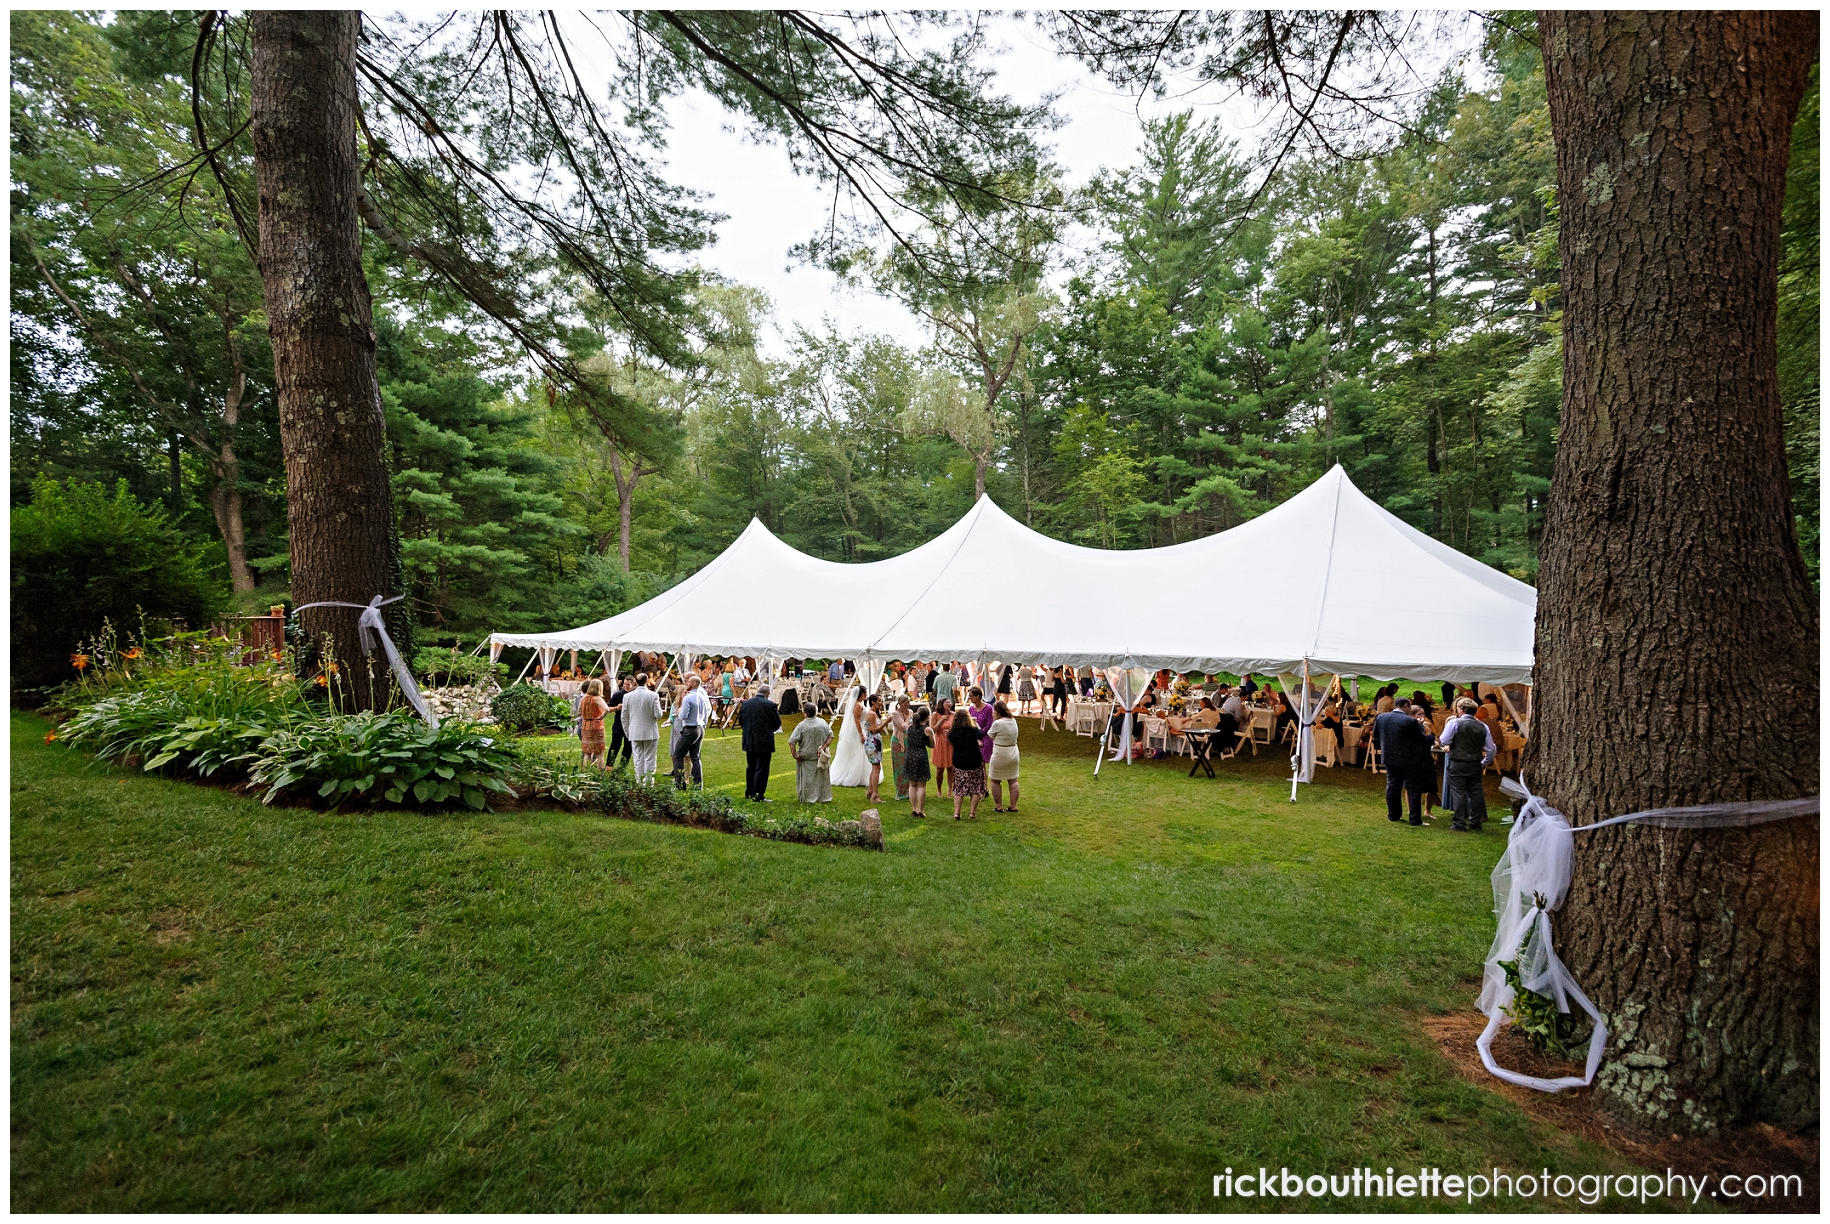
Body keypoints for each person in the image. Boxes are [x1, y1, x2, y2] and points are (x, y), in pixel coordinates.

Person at [1373, 697, 1435, 825]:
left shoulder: (1381, 717)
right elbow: (1423, 741)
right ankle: (1415, 819)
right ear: (1406, 705)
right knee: (1413, 789)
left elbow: (1376, 736)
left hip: (1389, 757)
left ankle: (1393, 815)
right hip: (1410, 759)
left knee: (1392, 786)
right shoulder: (1410, 721)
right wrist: (1430, 736)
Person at [1439, 696, 1496, 832]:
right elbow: (1491, 748)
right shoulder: (1483, 726)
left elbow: (1444, 739)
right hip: (1475, 763)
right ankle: (1475, 822)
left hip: (1457, 762)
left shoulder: (1454, 723)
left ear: (1461, 709)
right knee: (1475, 793)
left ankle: (1459, 822)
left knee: (1459, 793)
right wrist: (1484, 762)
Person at [738, 684, 782, 801]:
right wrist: (767, 730)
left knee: (751, 766)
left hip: (749, 739)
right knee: (762, 767)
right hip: (764, 740)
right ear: (768, 694)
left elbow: (741, 721)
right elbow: (776, 723)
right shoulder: (770, 705)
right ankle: (758, 793)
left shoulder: (746, 704)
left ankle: (749, 791)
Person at [670, 674, 712, 789]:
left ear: (693, 684)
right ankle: (698, 785)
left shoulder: (688, 698)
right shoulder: (703, 696)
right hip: (700, 728)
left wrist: (679, 713)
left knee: (677, 755)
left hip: (690, 729)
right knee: (696, 758)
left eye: (688, 682)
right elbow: (706, 712)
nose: (686, 684)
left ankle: (679, 784)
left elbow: (683, 716)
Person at [621, 672, 663, 783]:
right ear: (647, 681)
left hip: (635, 731)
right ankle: (649, 782)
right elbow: (658, 715)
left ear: (635, 682)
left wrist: (628, 732)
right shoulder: (653, 695)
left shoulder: (627, 696)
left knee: (638, 758)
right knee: (650, 758)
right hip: (650, 731)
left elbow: (624, 717)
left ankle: (639, 781)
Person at [947, 708, 987, 820]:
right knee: (976, 787)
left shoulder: (953, 733)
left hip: (959, 762)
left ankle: (957, 812)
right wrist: (975, 723)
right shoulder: (972, 730)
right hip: (974, 761)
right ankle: (972, 813)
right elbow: (981, 734)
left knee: (959, 788)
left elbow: (950, 740)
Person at [787, 709, 834, 803]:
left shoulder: (802, 725)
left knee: (808, 779)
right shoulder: (823, 723)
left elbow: (792, 741)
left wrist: (794, 754)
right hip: (820, 756)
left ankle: (807, 797)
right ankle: (823, 797)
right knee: (821, 778)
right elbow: (831, 736)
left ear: (805, 713)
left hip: (806, 756)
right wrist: (823, 747)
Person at [987, 701, 1021, 812]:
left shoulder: (998, 723)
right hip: (1013, 752)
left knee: (995, 780)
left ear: (997, 712)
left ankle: (998, 805)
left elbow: (990, 735)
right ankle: (1013, 805)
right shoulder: (1013, 720)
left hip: (1000, 752)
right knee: (1013, 780)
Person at [904, 706, 933, 817]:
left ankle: (914, 808)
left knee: (912, 784)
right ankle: (921, 810)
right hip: (921, 755)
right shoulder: (927, 729)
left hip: (910, 755)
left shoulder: (910, 728)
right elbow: (932, 744)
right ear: (927, 716)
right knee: (921, 785)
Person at [578, 679, 609, 767]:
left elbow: (579, 712)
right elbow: (607, 709)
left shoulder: (584, 698)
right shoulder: (597, 698)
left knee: (587, 752)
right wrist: (601, 716)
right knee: (599, 752)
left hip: (585, 725)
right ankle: (600, 773)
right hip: (596, 726)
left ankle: (585, 772)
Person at [862, 694, 885, 803]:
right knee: (876, 768)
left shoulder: (874, 714)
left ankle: (870, 790)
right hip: (873, 743)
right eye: (879, 701)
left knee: (875, 767)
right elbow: (874, 730)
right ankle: (875, 795)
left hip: (875, 742)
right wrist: (887, 722)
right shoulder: (871, 714)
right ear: (873, 702)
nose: (881, 703)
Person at [889, 695, 913, 801]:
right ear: (900, 703)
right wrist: (907, 717)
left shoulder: (911, 712)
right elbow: (903, 727)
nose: (907, 705)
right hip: (898, 742)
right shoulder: (895, 714)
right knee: (900, 767)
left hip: (909, 742)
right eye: (905, 702)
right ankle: (901, 791)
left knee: (909, 766)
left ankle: (909, 790)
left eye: (908, 702)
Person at [931, 697, 955, 797]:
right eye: (947, 702)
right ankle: (939, 789)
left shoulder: (953, 715)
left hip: (950, 743)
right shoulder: (935, 715)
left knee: (951, 768)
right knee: (940, 769)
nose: (949, 704)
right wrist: (940, 721)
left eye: (950, 702)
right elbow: (932, 730)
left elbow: (957, 728)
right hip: (940, 742)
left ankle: (950, 789)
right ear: (941, 704)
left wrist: (951, 731)